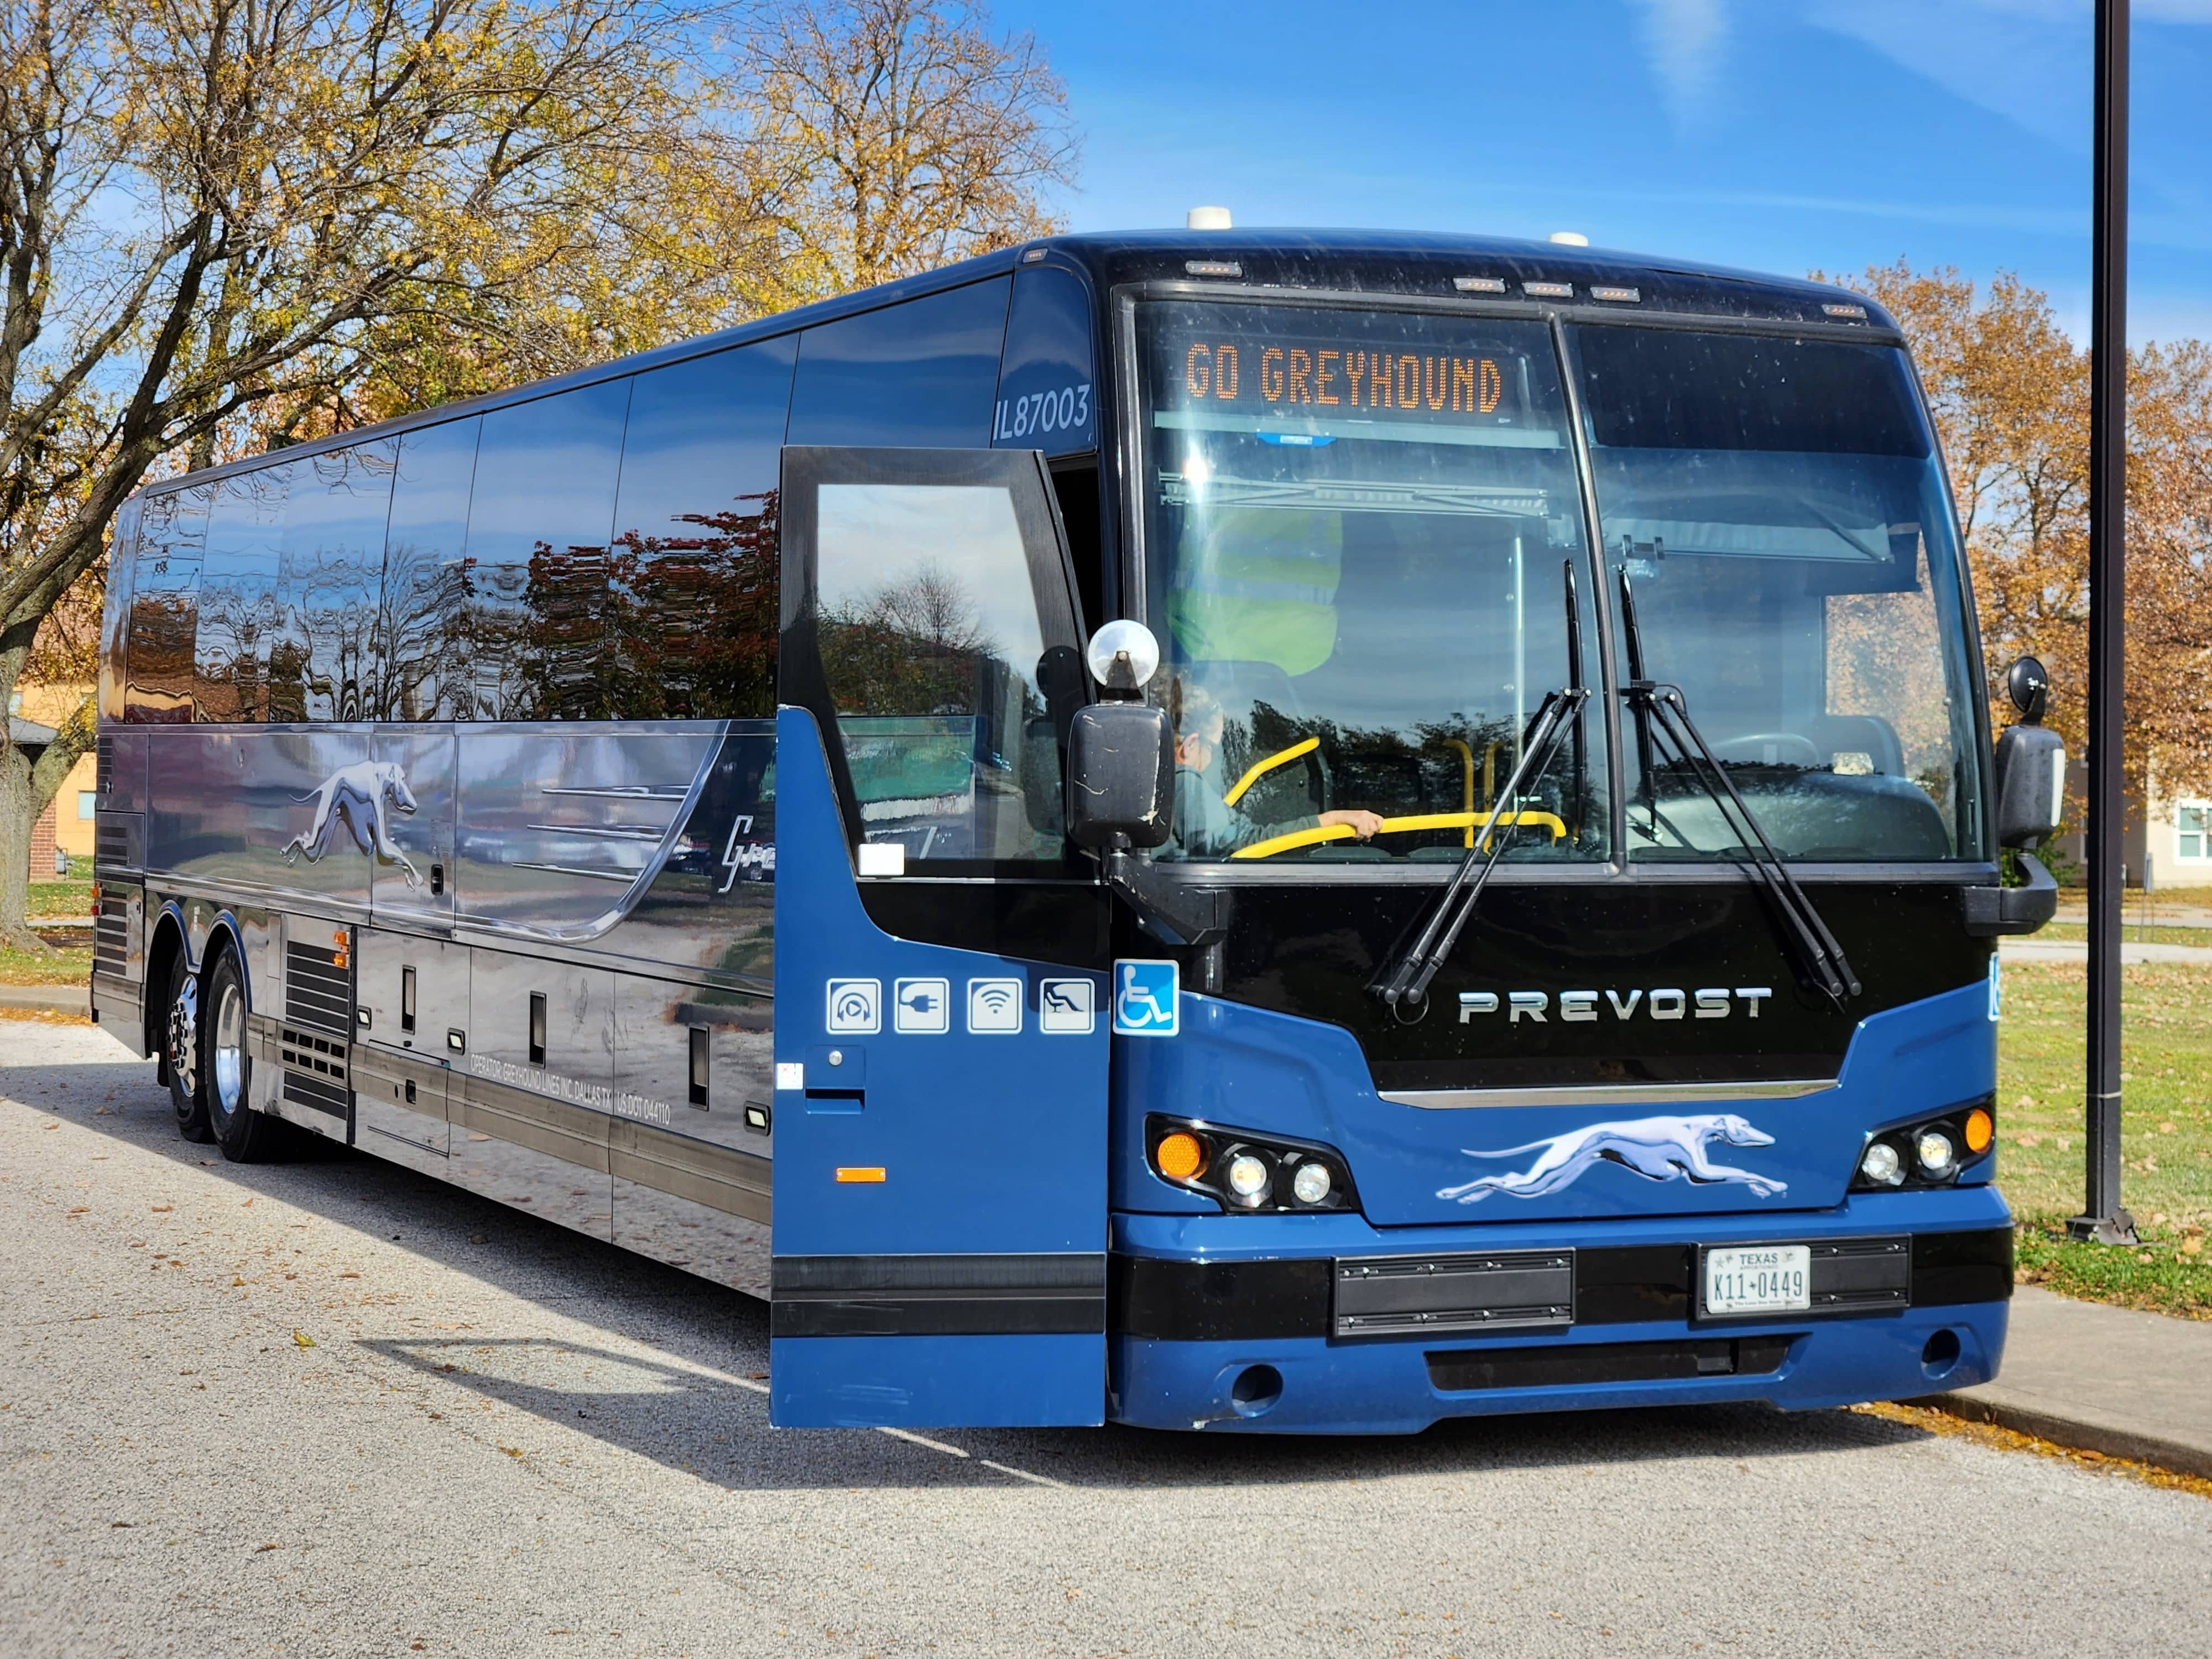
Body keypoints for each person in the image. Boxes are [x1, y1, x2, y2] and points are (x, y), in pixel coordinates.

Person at [1167, 680, 1384, 858]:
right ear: (1190, 746)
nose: (1214, 759)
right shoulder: (1181, 782)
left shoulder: (1153, 785)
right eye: (1214, 750)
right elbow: (1244, 843)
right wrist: (1333, 820)